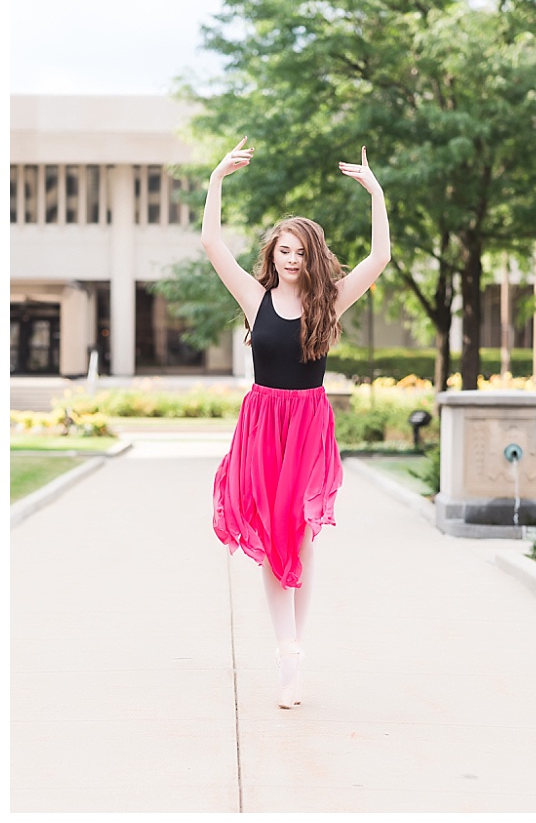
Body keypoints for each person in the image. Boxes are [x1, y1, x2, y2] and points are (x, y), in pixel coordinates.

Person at [202, 136, 391, 709]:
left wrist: (376, 195)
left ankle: (295, 650)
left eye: (301, 252)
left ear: (313, 257)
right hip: (263, 424)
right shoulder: (254, 298)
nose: (291, 259)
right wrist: (216, 180)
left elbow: (379, 259)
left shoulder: (329, 301)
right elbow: (212, 243)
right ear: (274, 254)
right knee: (269, 533)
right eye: (284, 250)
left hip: (308, 424)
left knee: (301, 533)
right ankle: (287, 651)